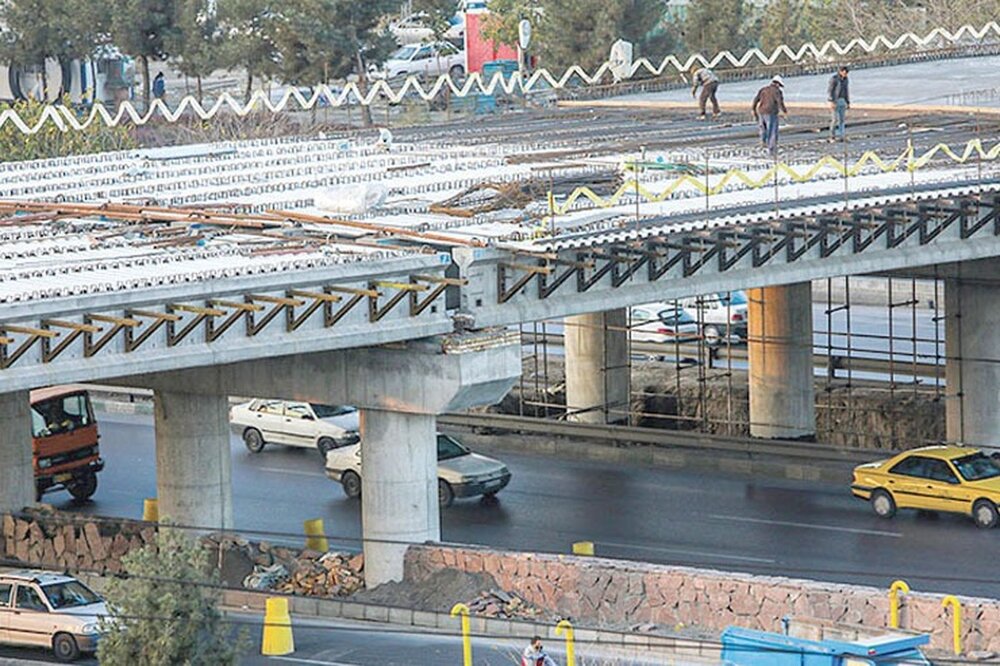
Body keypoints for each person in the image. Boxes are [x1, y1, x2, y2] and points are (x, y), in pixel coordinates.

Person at [751, 75, 788, 158]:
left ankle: (762, 144)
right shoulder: (777, 92)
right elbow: (779, 102)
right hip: (771, 112)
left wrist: (753, 109)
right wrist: (784, 111)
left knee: (763, 130)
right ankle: (771, 149)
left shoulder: (763, 89)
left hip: (761, 112)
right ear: (778, 84)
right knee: (772, 131)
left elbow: (756, 99)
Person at [827, 65, 850, 143]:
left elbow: (846, 91)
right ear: (840, 72)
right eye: (845, 72)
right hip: (835, 101)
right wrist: (831, 101)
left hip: (842, 100)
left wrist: (848, 102)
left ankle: (841, 136)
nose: (846, 74)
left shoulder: (846, 80)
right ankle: (832, 136)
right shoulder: (834, 79)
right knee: (834, 120)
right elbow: (830, 91)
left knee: (842, 120)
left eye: (846, 73)